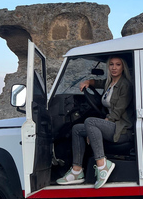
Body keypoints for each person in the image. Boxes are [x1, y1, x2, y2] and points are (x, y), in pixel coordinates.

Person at [57, 56, 134, 189]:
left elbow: (118, 112)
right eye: (111, 64)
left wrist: (95, 127)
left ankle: (103, 165)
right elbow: (97, 83)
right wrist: (88, 81)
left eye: (118, 65)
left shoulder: (125, 85)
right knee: (77, 129)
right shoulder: (109, 83)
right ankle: (77, 171)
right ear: (108, 67)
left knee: (90, 122)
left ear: (123, 67)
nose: (114, 67)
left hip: (121, 129)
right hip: (110, 125)